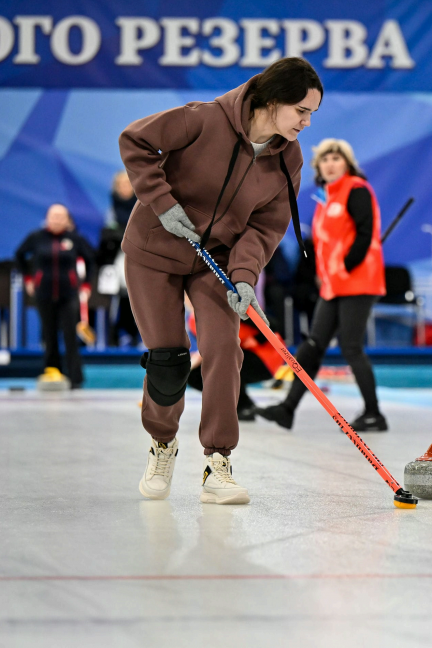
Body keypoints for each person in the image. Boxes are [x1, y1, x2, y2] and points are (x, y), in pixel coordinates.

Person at [120, 56, 322, 505]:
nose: (307, 123)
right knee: (170, 360)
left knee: (224, 349)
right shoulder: (203, 119)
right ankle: (162, 442)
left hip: (215, 260)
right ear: (273, 101)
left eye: (312, 114)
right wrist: (162, 203)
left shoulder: (288, 157)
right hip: (153, 251)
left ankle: (217, 461)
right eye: (302, 111)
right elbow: (135, 141)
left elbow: (266, 227)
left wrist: (245, 277)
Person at [258, 138, 388, 432]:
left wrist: (345, 266)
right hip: (334, 285)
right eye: (325, 159)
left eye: (336, 158)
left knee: (351, 346)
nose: (330, 163)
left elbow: (365, 234)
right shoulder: (326, 197)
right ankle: (287, 409)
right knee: (313, 344)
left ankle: (374, 413)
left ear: (347, 163)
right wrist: (327, 273)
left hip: (357, 282)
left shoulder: (356, 190)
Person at [15, 204, 95, 389]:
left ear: (67, 220)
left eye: (61, 216)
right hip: (44, 294)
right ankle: (52, 374)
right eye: (53, 216)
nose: (57, 220)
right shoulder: (36, 237)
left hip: (69, 295)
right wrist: (28, 279)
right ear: (47, 218)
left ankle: (75, 379)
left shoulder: (75, 239)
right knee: (49, 335)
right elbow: (19, 255)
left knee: (70, 336)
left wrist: (86, 285)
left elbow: (91, 260)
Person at [185, 298, 281, 421]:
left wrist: (253, 340)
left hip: (265, 359)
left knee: (224, 358)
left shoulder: (227, 310)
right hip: (239, 357)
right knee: (194, 375)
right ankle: (239, 404)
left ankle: (242, 406)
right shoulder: (193, 321)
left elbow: (272, 325)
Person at [98, 171, 140, 346]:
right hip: (117, 259)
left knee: (138, 295)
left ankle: (139, 334)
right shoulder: (111, 210)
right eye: (121, 185)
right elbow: (108, 235)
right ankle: (116, 334)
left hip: (139, 256)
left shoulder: (142, 206)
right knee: (118, 295)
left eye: (127, 185)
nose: (124, 189)